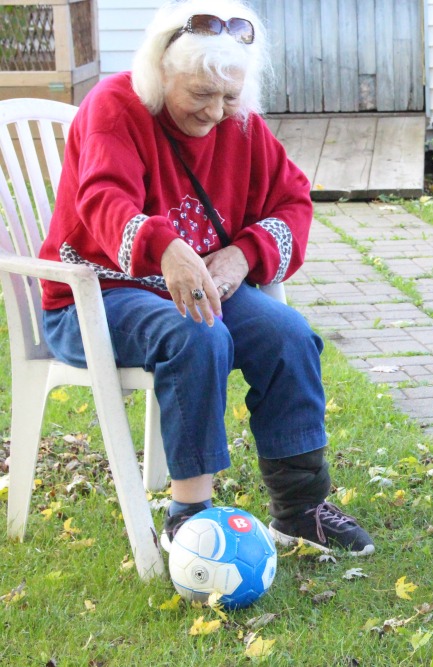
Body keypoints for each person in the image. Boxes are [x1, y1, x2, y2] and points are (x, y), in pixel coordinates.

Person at [38, 0, 374, 557]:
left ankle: (299, 508)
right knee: (196, 334)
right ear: (160, 72)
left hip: (202, 288)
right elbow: (101, 197)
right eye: (201, 94)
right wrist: (163, 246)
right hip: (94, 294)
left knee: (287, 334)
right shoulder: (114, 107)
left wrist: (245, 254)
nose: (217, 111)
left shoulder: (240, 121)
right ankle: (189, 515)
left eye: (230, 96)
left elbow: (293, 199)